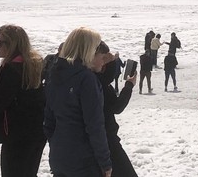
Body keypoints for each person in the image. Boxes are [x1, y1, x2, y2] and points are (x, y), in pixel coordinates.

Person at [44, 27, 112, 177]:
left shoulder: (55, 73)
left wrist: (57, 145)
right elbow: (94, 126)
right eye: (100, 53)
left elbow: (48, 122)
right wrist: (105, 162)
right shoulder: (86, 79)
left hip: (59, 157)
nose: (103, 59)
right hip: (84, 161)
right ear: (89, 51)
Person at [0, 24, 47, 177]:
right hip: (37, 130)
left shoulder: (11, 68)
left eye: (0, 43)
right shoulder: (34, 63)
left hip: (16, 133)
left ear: (12, 44)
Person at [95, 43, 137, 177]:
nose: (104, 62)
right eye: (103, 58)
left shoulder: (93, 79)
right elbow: (117, 107)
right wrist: (129, 85)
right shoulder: (97, 83)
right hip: (105, 140)